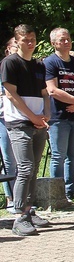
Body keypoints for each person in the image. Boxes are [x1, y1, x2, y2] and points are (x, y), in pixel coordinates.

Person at [2, 24, 52, 235]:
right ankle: (19, 215)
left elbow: (45, 93)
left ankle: (29, 210)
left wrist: (46, 114)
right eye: (25, 40)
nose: (30, 43)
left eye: (32, 39)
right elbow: (11, 95)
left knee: (34, 168)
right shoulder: (10, 63)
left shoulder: (39, 65)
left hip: (39, 123)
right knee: (24, 168)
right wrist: (32, 117)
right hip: (19, 123)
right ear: (17, 41)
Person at [44, 27, 74, 202]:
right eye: (62, 39)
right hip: (58, 116)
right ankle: (55, 195)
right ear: (53, 43)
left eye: (68, 39)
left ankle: (71, 191)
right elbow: (52, 90)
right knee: (59, 155)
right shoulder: (50, 62)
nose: (66, 42)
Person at [1, 37, 18, 206]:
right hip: (2, 118)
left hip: (20, 117)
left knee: (21, 160)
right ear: (8, 50)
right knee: (9, 159)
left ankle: (21, 197)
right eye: (15, 46)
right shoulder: (3, 68)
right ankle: (10, 198)